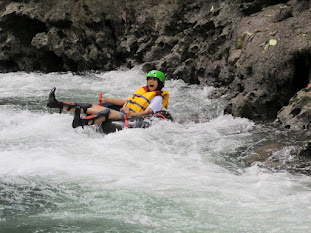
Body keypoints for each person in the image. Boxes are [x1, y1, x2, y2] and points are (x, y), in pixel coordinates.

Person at [47, 70, 169, 128]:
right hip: (125, 112)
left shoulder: (157, 98)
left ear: (160, 83)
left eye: (154, 80)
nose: (151, 82)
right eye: (149, 79)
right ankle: (57, 104)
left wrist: (131, 113)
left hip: (132, 116)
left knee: (106, 112)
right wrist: (107, 99)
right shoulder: (143, 92)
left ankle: (81, 122)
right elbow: (126, 101)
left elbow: (147, 112)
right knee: (92, 107)